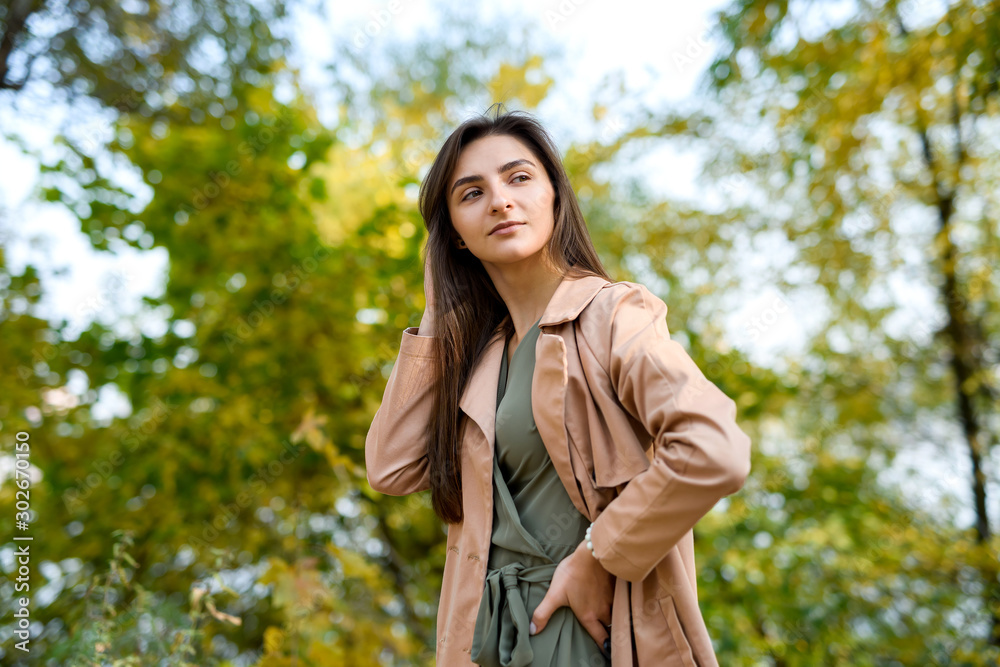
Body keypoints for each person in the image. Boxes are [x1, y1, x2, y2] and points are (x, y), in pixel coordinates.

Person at [365, 105, 752, 666]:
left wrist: (600, 554)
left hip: (585, 636)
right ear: (454, 238)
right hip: (486, 644)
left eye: (518, 177)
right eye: (470, 194)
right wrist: (435, 312)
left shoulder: (612, 314)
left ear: (554, 197)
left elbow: (714, 448)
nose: (500, 199)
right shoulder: (481, 360)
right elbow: (390, 468)